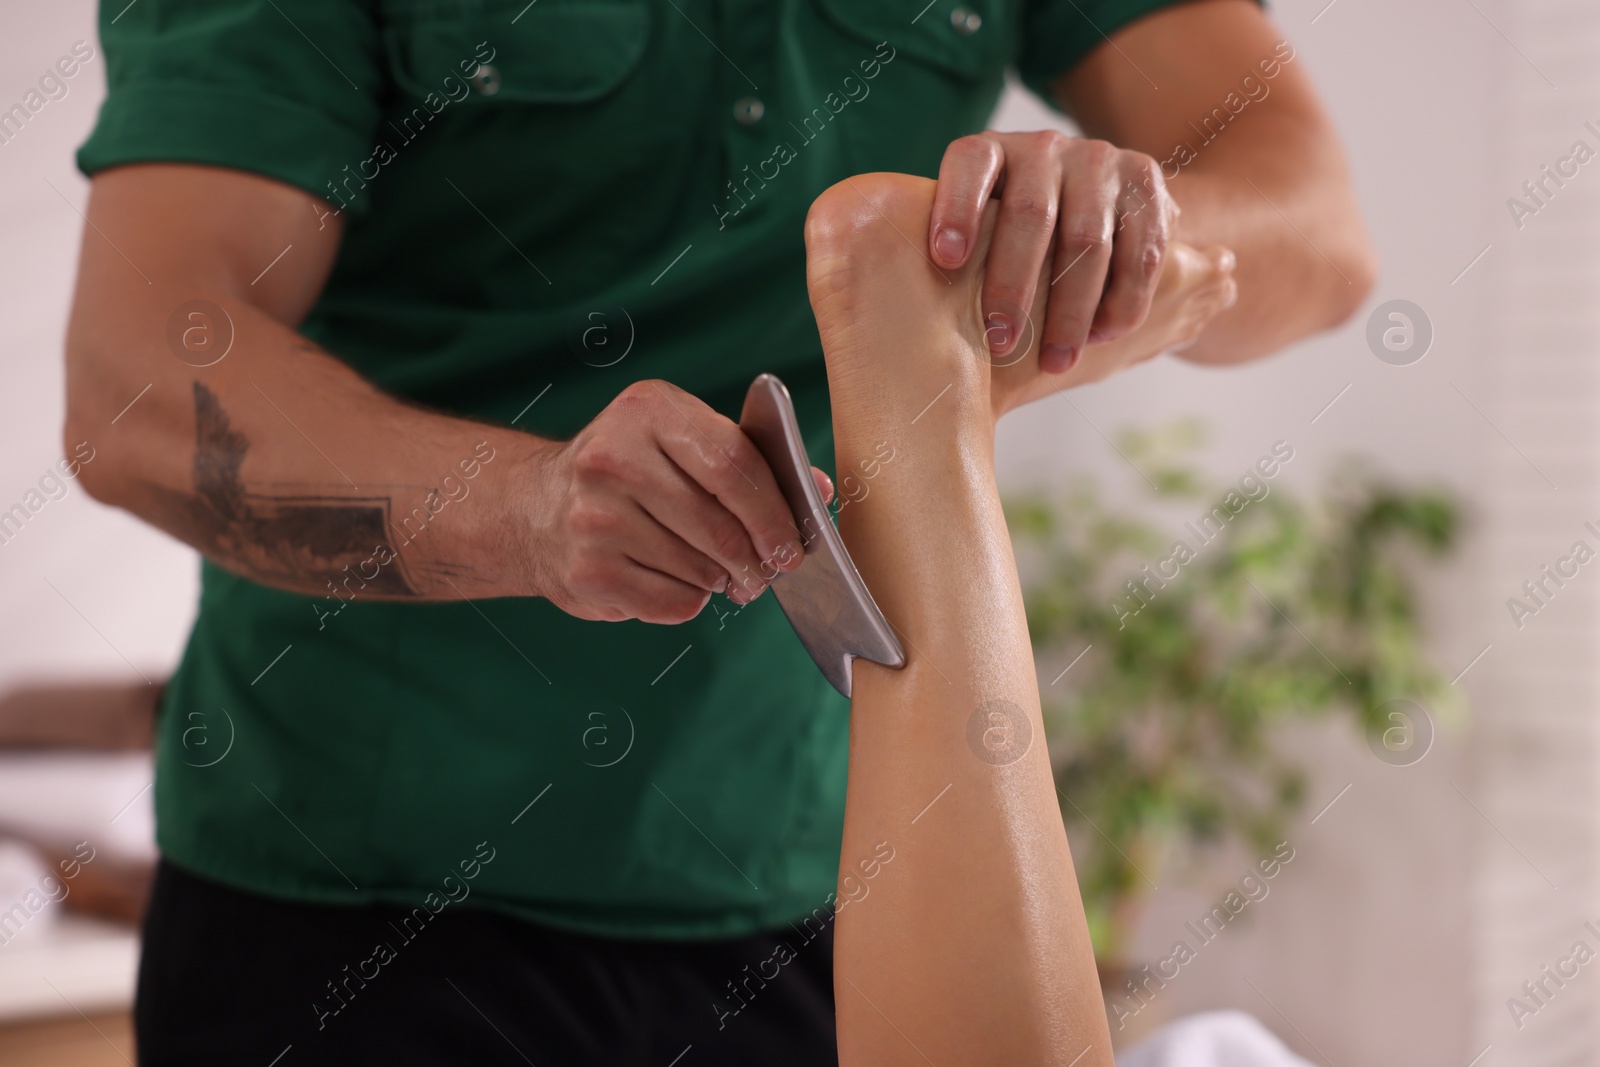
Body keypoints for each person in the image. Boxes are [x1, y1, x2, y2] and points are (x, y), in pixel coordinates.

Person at [62, 0, 1371, 1062]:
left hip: (804, 883)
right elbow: (137, 386)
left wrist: (1116, 245)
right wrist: (519, 514)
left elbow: (1314, 227)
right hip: (349, 903)